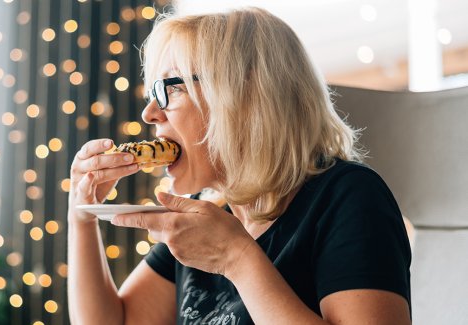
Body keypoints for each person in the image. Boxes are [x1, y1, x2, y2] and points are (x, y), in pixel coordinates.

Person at [67, 7, 411, 324]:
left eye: (168, 89)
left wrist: (237, 258)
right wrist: (81, 217)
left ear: (244, 97)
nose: (149, 114)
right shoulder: (208, 216)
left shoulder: (347, 197)